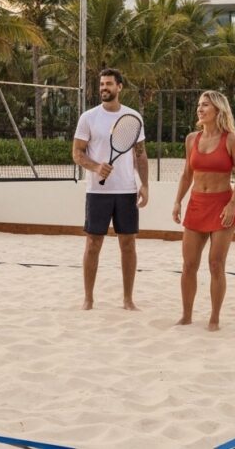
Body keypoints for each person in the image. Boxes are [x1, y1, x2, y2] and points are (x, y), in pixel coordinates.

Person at [72, 68, 149, 311]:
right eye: (101, 84)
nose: (104, 88)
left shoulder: (133, 117)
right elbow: (77, 153)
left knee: (128, 244)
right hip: (97, 192)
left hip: (126, 191)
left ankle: (128, 299)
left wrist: (144, 184)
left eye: (109, 84)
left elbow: (141, 154)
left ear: (119, 87)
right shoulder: (88, 117)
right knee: (93, 243)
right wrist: (96, 167)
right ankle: (89, 299)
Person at [172, 91, 235, 331]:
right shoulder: (192, 139)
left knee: (216, 263)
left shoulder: (232, 140)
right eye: (199, 105)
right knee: (189, 264)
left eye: (205, 105)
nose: (200, 109)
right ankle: (186, 315)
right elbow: (186, 174)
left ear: (218, 110)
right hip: (196, 204)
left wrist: (232, 204)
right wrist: (177, 201)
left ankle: (214, 318)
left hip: (222, 205)